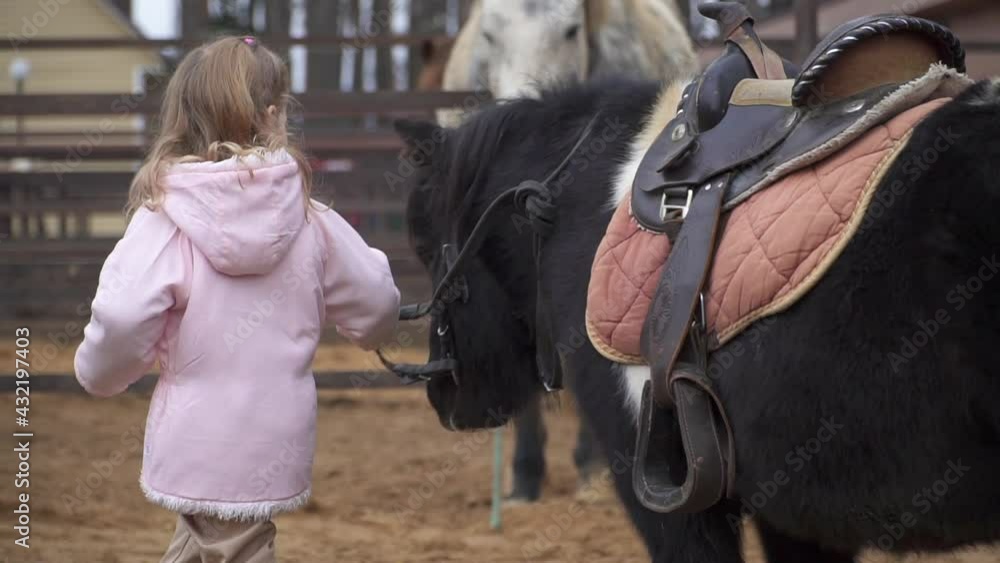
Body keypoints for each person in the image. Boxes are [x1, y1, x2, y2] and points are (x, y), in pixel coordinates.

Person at [74, 36, 400, 563]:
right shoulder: (313, 222)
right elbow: (376, 301)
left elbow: (122, 314)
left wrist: (101, 373)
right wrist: (374, 329)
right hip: (275, 435)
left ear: (180, 117)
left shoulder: (163, 224)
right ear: (274, 117)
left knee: (221, 543)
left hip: (194, 434)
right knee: (216, 543)